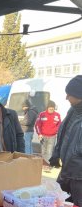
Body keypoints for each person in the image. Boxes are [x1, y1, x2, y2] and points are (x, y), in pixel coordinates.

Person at [50, 75, 82, 205]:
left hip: (79, 175)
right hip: (67, 170)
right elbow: (63, 133)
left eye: (69, 94)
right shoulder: (73, 111)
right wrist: (56, 154)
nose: (66, 98)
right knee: (57, 200)